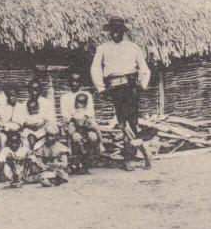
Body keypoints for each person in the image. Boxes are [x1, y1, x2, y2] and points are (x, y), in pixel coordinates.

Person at [90, 17, 153, 170]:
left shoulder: (133, 47)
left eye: (119, 30)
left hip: (130, 88)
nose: (115, 33)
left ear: (123, 31)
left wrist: (141, 85)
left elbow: (144, 69)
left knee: (131, 123)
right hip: (115, 89)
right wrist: (101, 88)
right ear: (109, 32)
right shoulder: (103, 48)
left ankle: (136, 157)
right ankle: (137, 156)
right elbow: (95, 68)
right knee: (122, 124)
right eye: (113, 30)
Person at [13, 79, 57, 149]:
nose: (34, 92)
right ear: (28, 90)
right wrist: (27, 124)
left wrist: (43, 123)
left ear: (40, 90)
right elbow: (19, 120)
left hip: (44, 130)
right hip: (29, 131)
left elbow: (52, 119)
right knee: (27, 139)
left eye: (36, 89)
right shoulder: (24, 104)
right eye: (31, 90)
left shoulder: (47, 103)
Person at [65, 93, 103, 174]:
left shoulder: (88, 112)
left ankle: (100, 144)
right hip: (77, 130)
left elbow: (94, 126)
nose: (77, 104)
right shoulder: (74, 112)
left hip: (87, 130)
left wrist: (88, 122)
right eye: (77, 102)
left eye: (80, 103)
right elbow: (71, 126)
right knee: (76, 136)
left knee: (93, 133)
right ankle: (78, 157)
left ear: (85, 104)